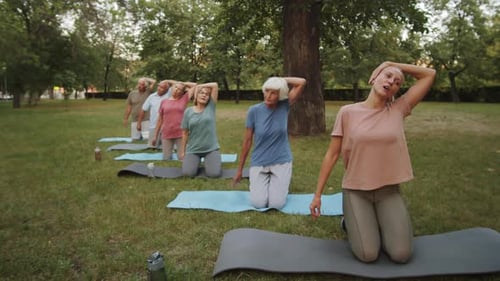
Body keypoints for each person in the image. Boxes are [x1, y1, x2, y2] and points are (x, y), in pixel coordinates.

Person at [309, 61, 436, 264]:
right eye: (387, 76)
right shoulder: (348, 112)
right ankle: (348, 221)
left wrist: (392, 64)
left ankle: (376, 221)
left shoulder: (398, 109)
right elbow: (331, 155)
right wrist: (317, 196)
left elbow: (429, 74)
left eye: (397, 82)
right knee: (368, 254)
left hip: (389, 191)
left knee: (401, 254)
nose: (391, 82)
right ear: (374, 77)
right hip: (356, 191)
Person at [232, 77, 307, 209]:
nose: (268, 95)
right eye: (267, 91)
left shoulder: (285, 105)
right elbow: (247, 141)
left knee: (276, 204)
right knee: (258, 203)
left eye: (273, 93)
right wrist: (239, 170)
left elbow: (301, 82)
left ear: (281, 95)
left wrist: (280, 80)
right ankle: (270, 184)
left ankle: (279, 184)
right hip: (259, 161)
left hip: (281, 160)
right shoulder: (253, 111)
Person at [180, 82, 221, 177]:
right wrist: (183, 151)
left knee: (214, 174)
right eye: (201, 93)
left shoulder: (211, 107)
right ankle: (195, 162)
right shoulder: (188, 111)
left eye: (207, 94)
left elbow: (215, 85)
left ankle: (212, 161)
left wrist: (199, 86)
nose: (204, 95)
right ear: (196, 96)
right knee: (188, 174)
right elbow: (185, 132)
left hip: (211, 149)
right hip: (193, 149)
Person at [152, 81, 197, 160]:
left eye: (179, 89)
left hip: (180, 134)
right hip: (166, 133)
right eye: (175, 87)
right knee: (166, 158)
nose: (177, 90)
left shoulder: (184, 99)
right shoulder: (164, 102)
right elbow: (160, 120)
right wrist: (155, 136)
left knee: (182, 158)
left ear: (182, 92)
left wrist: (182, 83)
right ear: (172, 88)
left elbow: (195, 85)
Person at [137, 80, 172, 148]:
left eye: (162, 87)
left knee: (168, 147)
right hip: (154, 126)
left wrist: (168, 81)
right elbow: (143, 110)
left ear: (166, 89)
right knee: (152, 146)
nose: (159, 88)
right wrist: (139, 123)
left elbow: (179, 84)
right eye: (158, 86)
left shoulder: (170, 94)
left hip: (168, 126)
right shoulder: (151, 97)